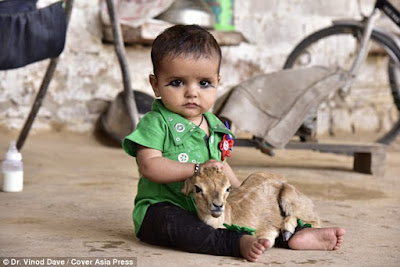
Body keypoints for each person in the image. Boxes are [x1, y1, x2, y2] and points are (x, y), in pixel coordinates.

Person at [123, 24, 345, 262]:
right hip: (164, 207)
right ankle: (234, 243)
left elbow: (222, 170)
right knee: (178, 226)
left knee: (247, 217)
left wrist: (242, 193)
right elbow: (150, 166)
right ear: (155, 84)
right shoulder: (155, 123)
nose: (192, 93)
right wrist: (196, 169)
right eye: (177, 82)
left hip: (212, 209)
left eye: (204, 83)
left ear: (217, 82)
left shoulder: (216, 125)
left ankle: (295, 234)